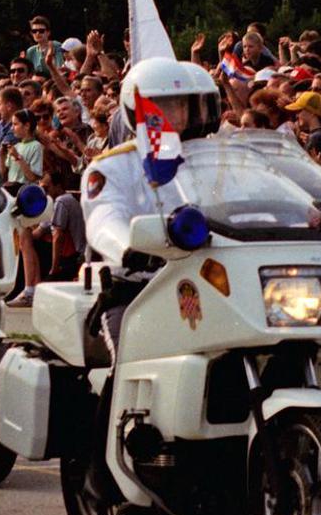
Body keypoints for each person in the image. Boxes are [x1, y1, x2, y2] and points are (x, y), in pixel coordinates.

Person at [82, 57, 222, 354]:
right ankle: (120, 401)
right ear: (136, 109)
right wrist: (128, 247)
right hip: (137, 286)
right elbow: (103, 217)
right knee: (133, 356)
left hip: (211, 281)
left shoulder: (217, 159)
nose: (175, 113)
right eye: (163, 105)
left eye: (182, 105)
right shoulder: (114, 165)